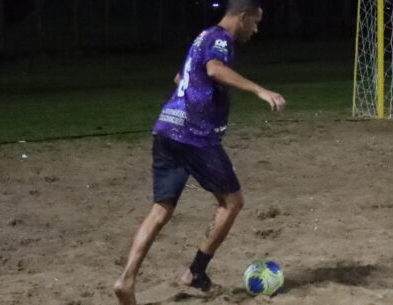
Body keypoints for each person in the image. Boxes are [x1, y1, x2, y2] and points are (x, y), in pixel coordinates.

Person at [112, 1, 286, 304]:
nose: (256, 29)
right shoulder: (221, 40)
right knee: (232, 202)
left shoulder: (202, 37)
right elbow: (215, 69)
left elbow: (181, 78)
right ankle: (196, 272)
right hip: (194, 136)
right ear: (243, 17)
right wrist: (259, 90)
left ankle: (126, 279)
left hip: (166, 128)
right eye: (255, 22)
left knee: (161, 209)